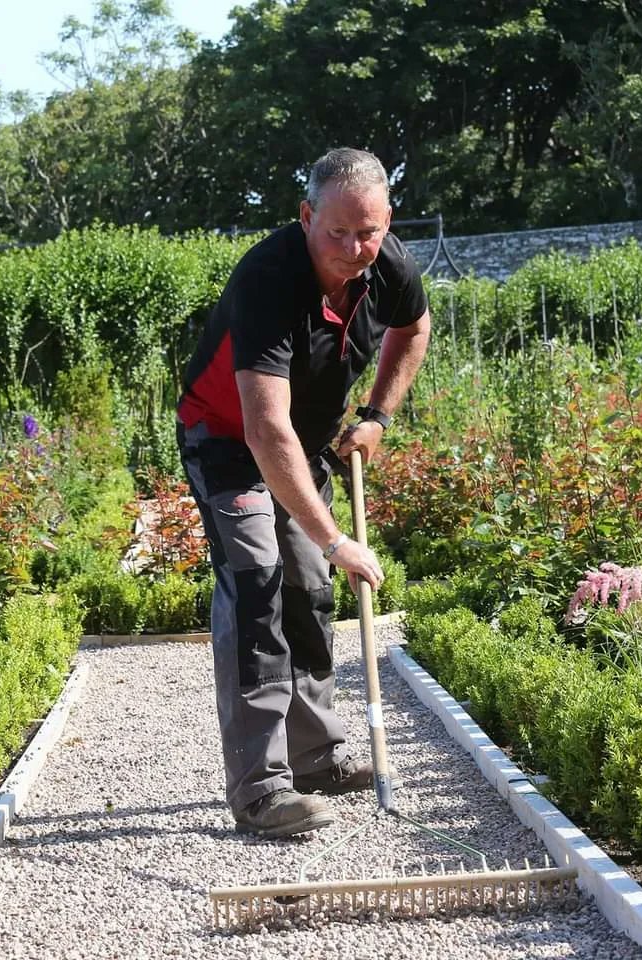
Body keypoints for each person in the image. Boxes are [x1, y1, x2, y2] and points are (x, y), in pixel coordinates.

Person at [176, 147, 430, 839]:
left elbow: (412, 329)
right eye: (338, 232)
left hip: (303, 443)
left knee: (309, 586)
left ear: (387, 221)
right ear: (305, 215)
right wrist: (337, 535)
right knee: (259, 579)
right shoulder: (269, 278)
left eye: (370, 231)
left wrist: (377, 415)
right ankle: (261, 790)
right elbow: (265, 431)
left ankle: (314, 757)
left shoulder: (389, 264)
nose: (356, 248)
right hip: (229, 442)